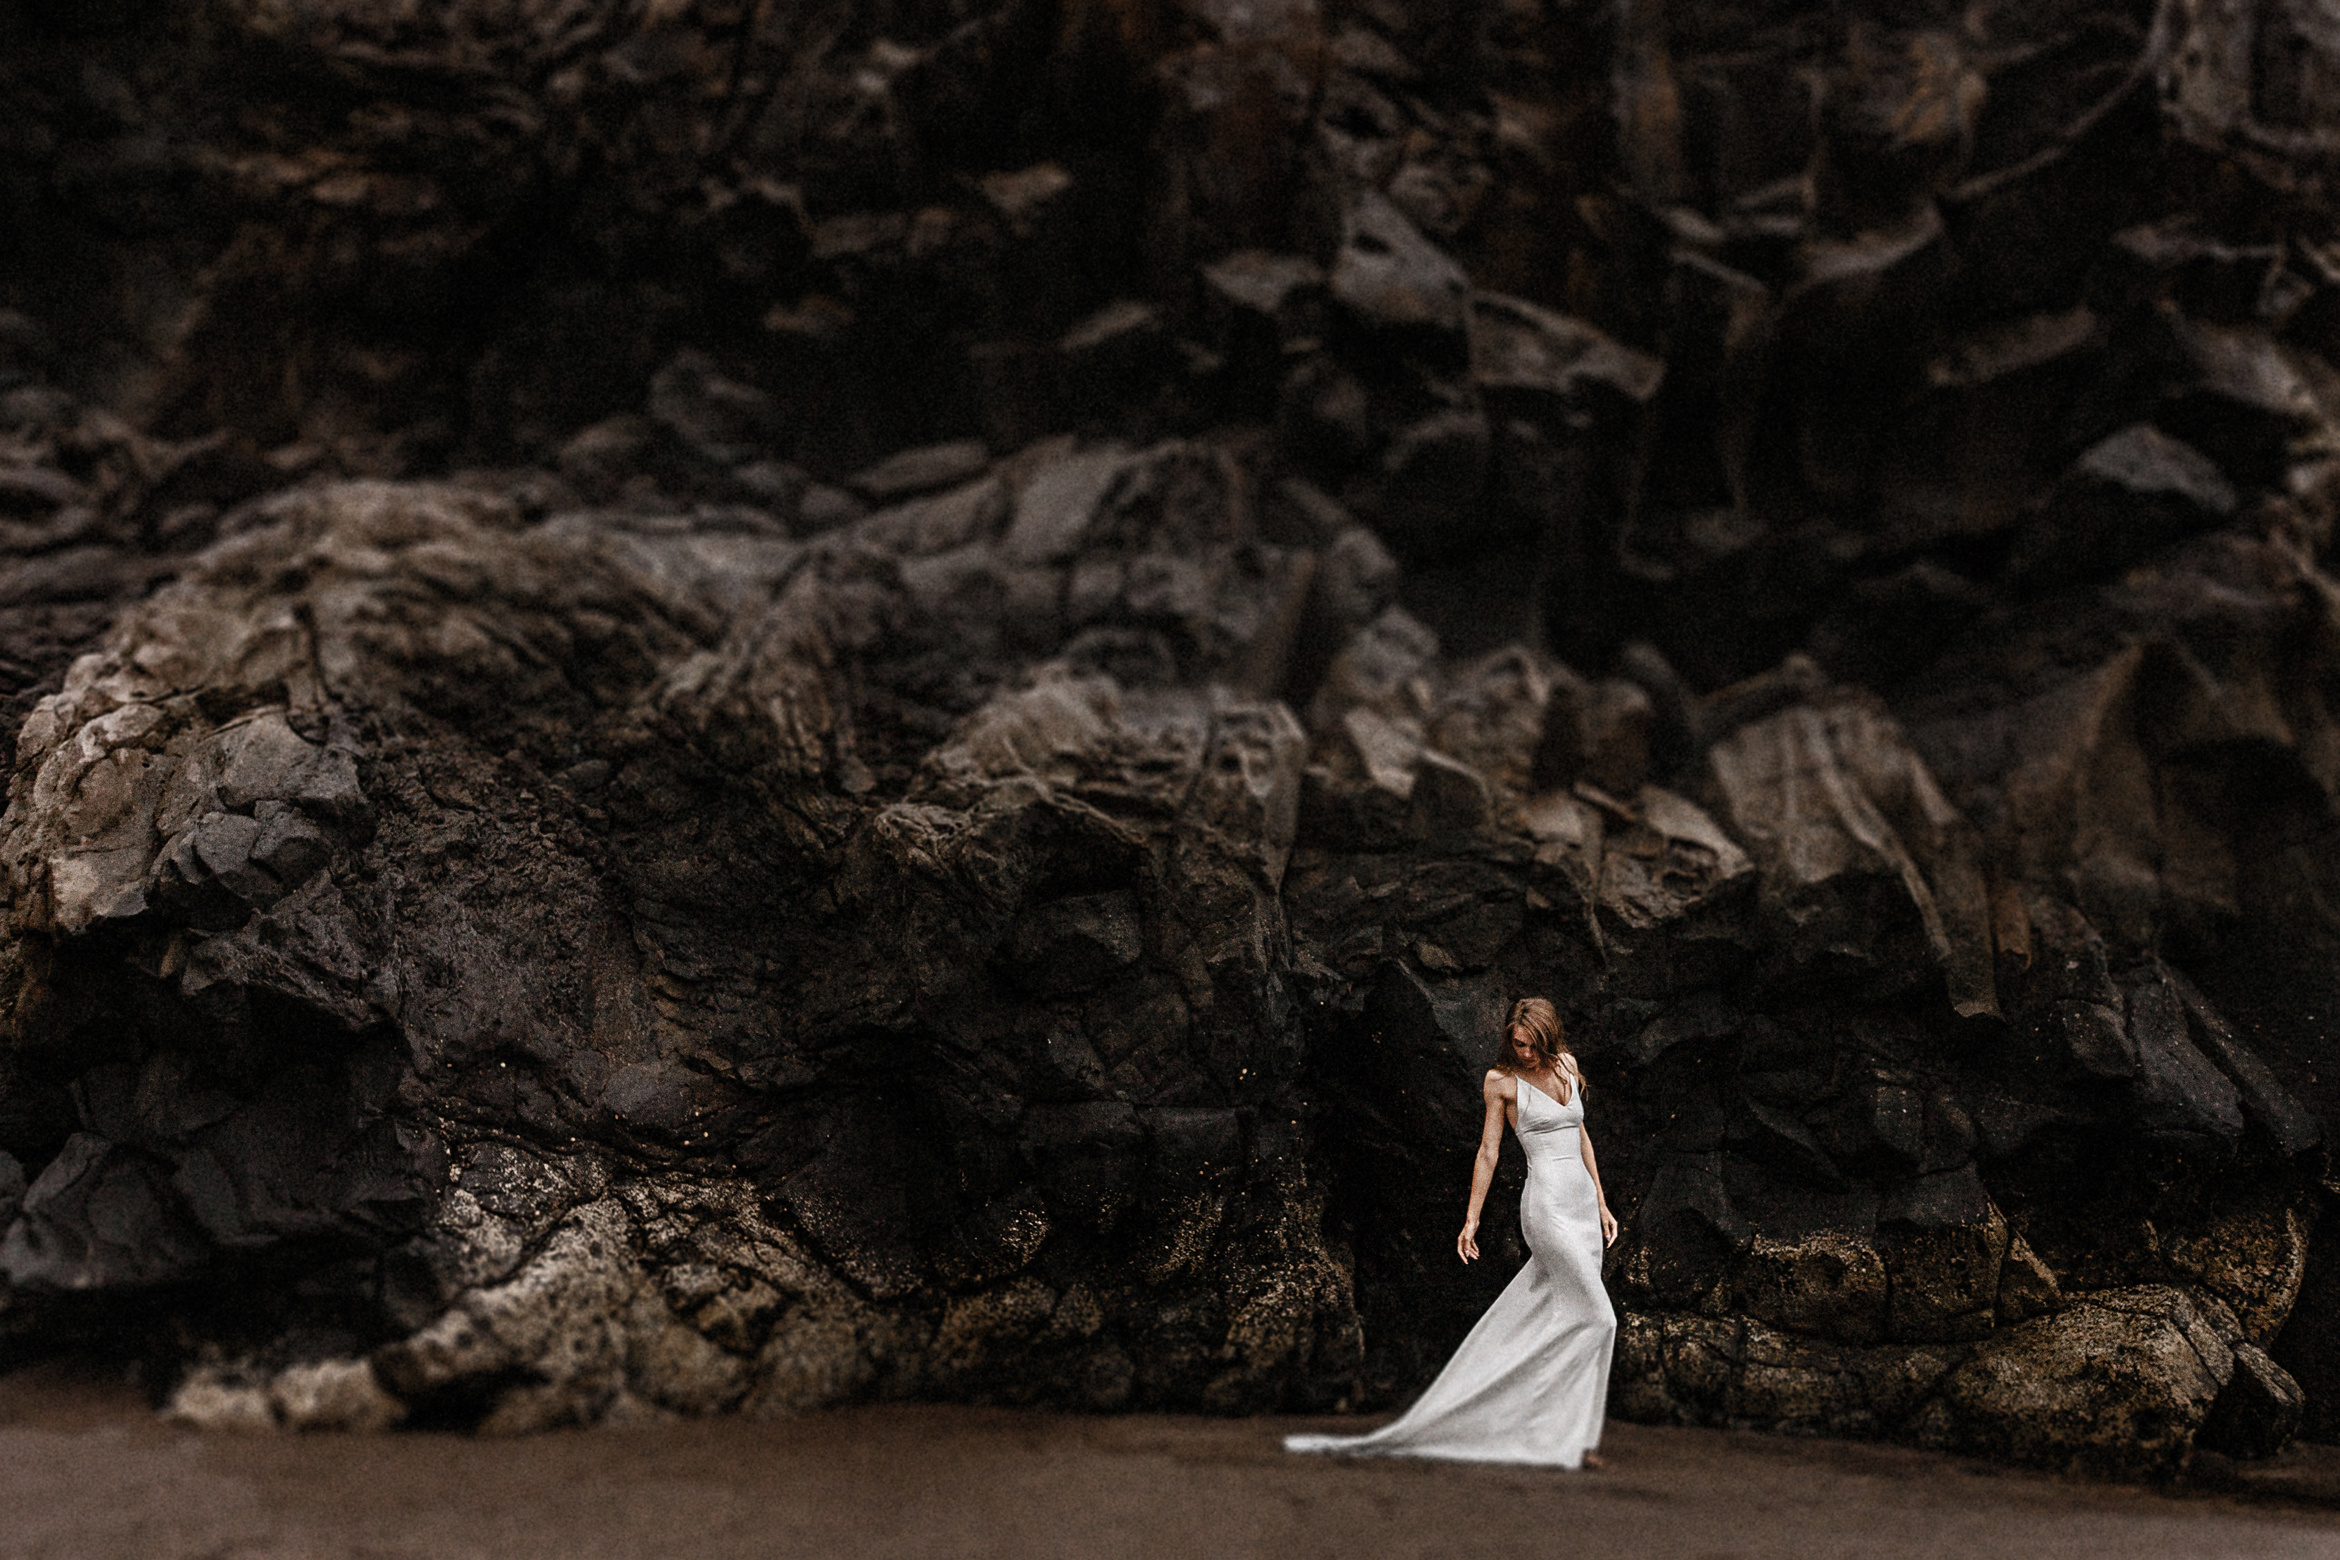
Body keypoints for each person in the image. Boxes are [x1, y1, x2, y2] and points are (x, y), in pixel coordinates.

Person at [1285, 996, 1620, 1468]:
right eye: (1517, 1043)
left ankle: (1571, 1438)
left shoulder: (1567, 1065)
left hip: (1582, 1206)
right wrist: (1471, 1218)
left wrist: (1601, 1201)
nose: (1524, 1052)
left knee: (1569, 1318)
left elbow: (1580, 1136)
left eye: (1532, 1044)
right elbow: (1488, 1152)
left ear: (1548, 1039)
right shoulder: (1501, 1082)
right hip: (1546, 1209)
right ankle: (1533, 1420)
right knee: (1601, 1319)